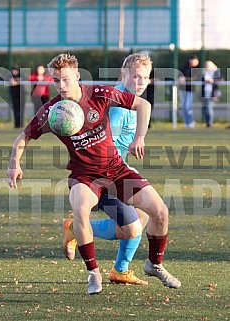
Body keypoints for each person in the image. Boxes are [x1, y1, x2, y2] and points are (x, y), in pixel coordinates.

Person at [7, 53, 180, 295]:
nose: (61, 86)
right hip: (84, 175)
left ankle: (154, 264)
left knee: (159, 212)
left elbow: (144, 104)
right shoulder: (53, 111)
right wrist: (14, 163)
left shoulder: (100, 94)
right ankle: (94, 274)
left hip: (117, 169)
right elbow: (23, 136)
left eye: (66, 79)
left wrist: (140, 137)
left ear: (77, 76)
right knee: (81, 210)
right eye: (56, 81)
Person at [63, 52, 180, 289]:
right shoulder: (114, 106)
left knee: (147, 213)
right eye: (135, 76)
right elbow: (99, 150)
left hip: (118, 171)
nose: (140, 82)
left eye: (145, 77)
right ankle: (74, 227)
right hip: (100, 177)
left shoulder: (130, 102)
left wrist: (139, 139)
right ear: (123, 74)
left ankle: (120, 269)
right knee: (133, 226)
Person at [178, 55, 200, 128]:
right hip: (182, 89)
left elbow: (196, 78)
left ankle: (190, 121)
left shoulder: (197, 69)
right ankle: (187, 122)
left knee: (187, 106)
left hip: (190, 90)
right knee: (183, 107)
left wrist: (186, 79)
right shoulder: (185, 67)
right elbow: (179, 74)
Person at [201, 60, 221, 128]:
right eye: (206, 66)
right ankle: (207, 122)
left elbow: (220, 80)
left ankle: (209, 123)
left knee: (209, 108)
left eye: (208, 66)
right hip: (205, 94)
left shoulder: (216, 72)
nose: (207, 67)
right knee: (205, 109)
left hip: (212, 94)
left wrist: (213, 80)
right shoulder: (204, 73)